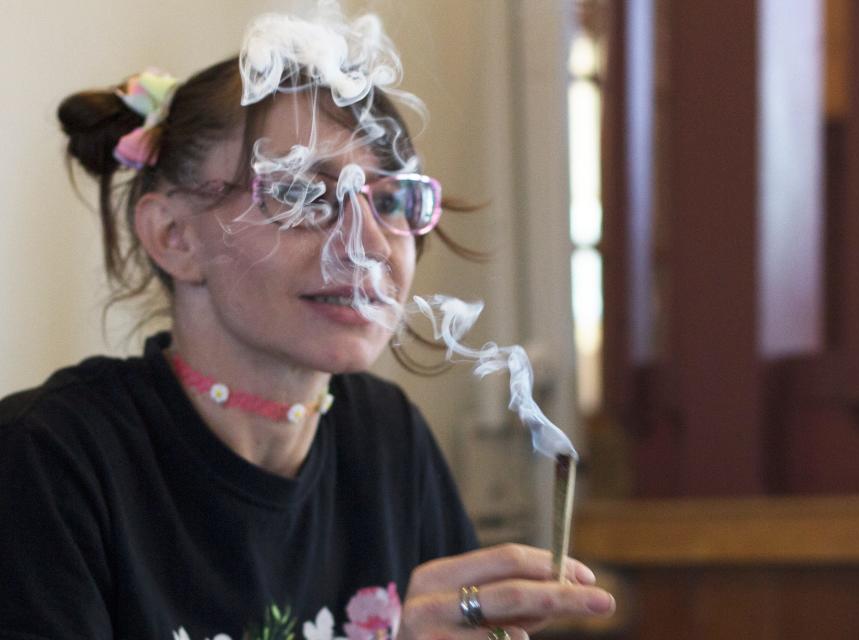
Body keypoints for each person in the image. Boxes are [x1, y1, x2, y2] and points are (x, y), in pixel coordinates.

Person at [0, 4, 615, 640]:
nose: (367, 243)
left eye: (390, 200)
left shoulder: (386, 438)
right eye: (300, 193)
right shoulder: (46, 460)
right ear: (173, 236)